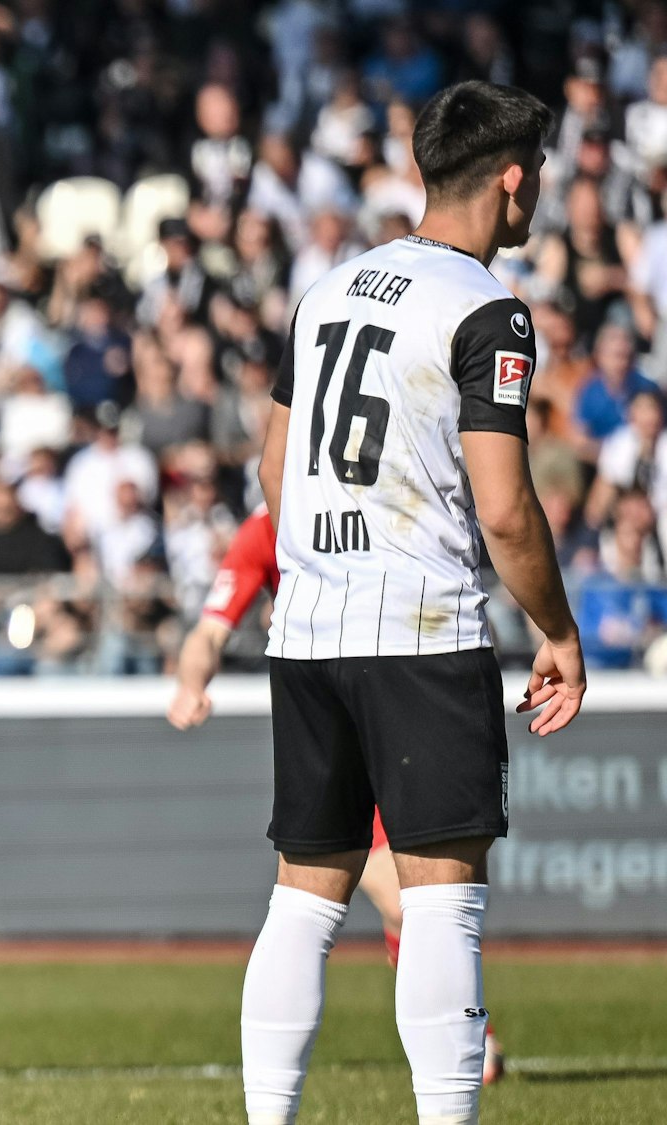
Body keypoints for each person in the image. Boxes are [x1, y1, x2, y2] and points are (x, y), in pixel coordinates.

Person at [240, 82, 585, 1125]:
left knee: (302, 902)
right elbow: (506, 511)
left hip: (307, 627)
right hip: (420, 626)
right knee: (443, 898)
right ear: (513, 179)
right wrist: (557, 632)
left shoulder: (326, 289)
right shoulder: (485, 308)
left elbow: (271, 467)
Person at [168, 510, 505, 1086]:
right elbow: (209, 629)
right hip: (336, 716)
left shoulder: (369, 493)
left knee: (420, 897)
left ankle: (460, 1041)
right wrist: (190, 683)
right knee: (379, 902)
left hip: (402, 693)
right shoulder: (267, 527)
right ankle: (462, 1047)